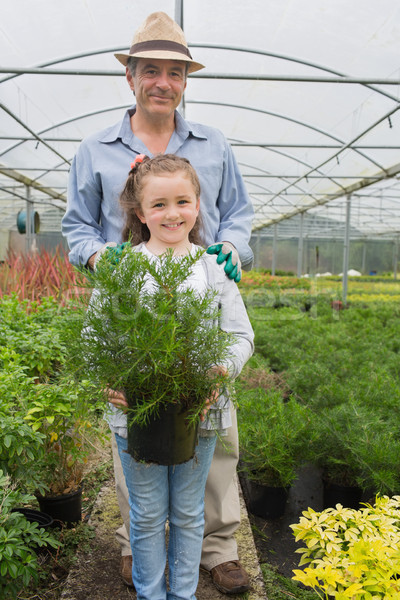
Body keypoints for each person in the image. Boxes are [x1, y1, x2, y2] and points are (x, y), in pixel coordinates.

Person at [61, 11, 254, 594]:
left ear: (185, 80)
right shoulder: (95, 148)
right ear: (132, 78)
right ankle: (137, 546)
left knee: (213, 443)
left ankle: (216, 553)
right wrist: (103, 260)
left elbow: (240, 216)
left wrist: (230, 251)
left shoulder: (214, 144)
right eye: (150, 70)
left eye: (174, 72)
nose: (162, 81)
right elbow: (76, 230)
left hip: (204, 293)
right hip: (131, 299)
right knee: (138, 435)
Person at [104, 153, 254, 600]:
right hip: (137, 415)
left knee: (189, 514)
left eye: (183, 201)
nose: (172, 213)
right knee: (147, 515)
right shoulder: (124, 270)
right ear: (140, 212)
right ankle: (151, 594)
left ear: (198, 203)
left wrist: (220, 369)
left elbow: (241, 335)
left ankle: (182, 594)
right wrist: (112, 379)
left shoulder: (214, 269)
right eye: (159, 205)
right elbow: (99, 336)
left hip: (201, 412)